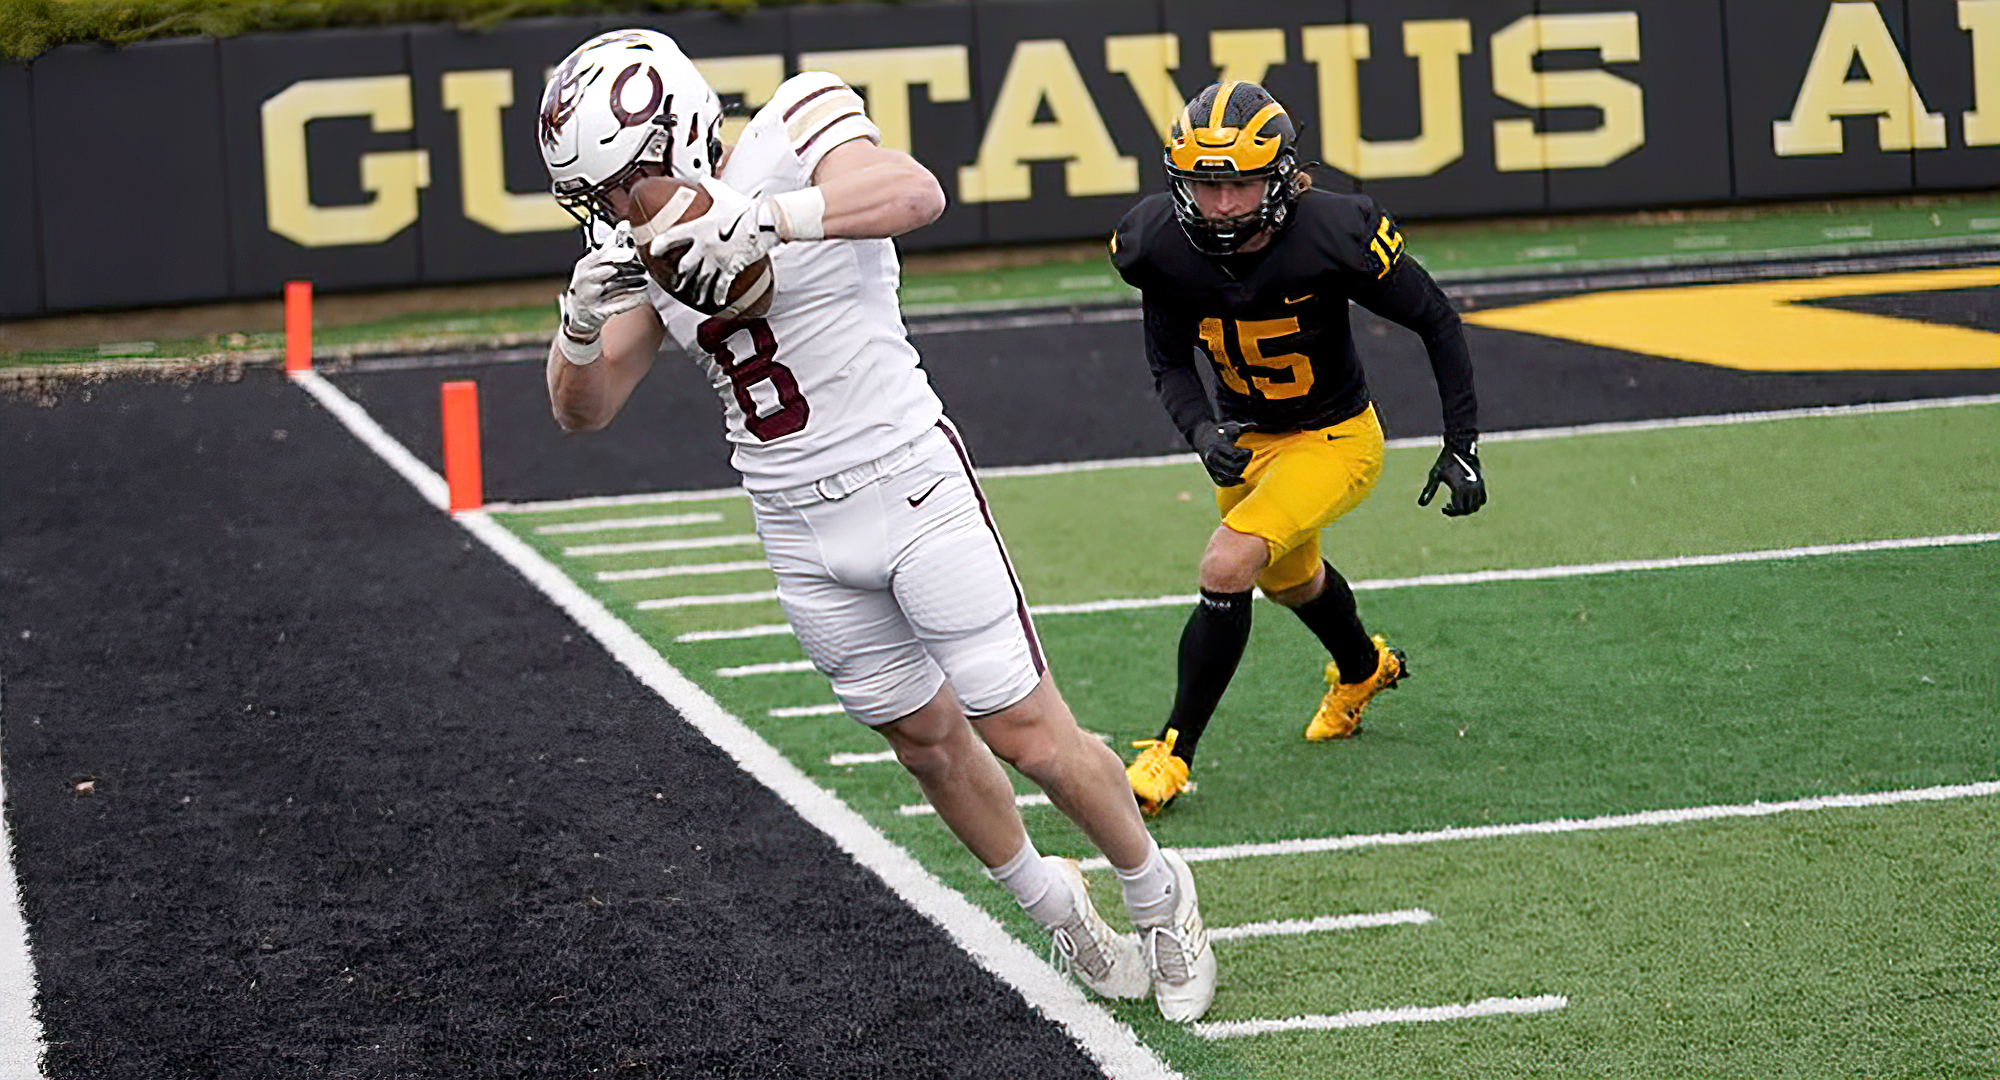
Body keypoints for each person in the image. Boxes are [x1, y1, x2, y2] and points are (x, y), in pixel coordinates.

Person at [534, 29, 1215, 1021]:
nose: (609, 212)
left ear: (676, 132)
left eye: (614, 188)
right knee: (925, 743)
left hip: (904, 482)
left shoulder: (794, 123)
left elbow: (913, 193)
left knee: (1025, 731)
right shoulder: (639, 245)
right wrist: (578, 326)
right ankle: (1055, 908)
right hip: (793, 525)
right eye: (594, 199)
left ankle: (1160, 894)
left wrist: (765, 218)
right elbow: (580, 413)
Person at [1110, 81, 1486, 815]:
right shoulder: (1156, 243)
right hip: (1249, 443)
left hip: (1335, 438)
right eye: (1203, 185)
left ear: (1280, 178)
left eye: (1239, 185)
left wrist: (1462, 442)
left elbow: (1437, 319)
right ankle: (1361, 667)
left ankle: (1171, 754)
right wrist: (1200, 430)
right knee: (1291, 583)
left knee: (1227, 563)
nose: (1219, 205)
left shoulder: (1329, 234)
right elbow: (1167, 361)